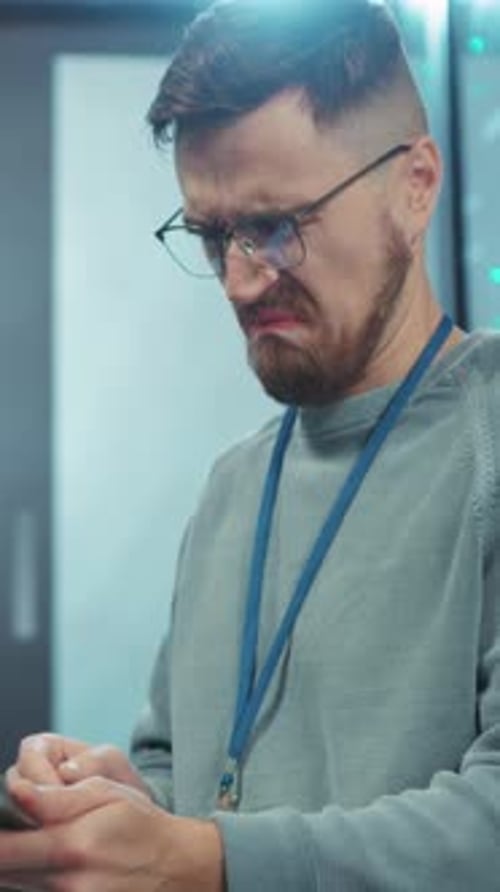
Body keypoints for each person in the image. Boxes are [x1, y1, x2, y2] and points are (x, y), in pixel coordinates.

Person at [1, 0, 500, 889]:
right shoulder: (231, 488)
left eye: (275, 226)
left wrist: (203, 858)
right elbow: (182, 769)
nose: (237, 280)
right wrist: (124, 808)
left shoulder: (488, 442)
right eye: (210, 234)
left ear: (415, 186)